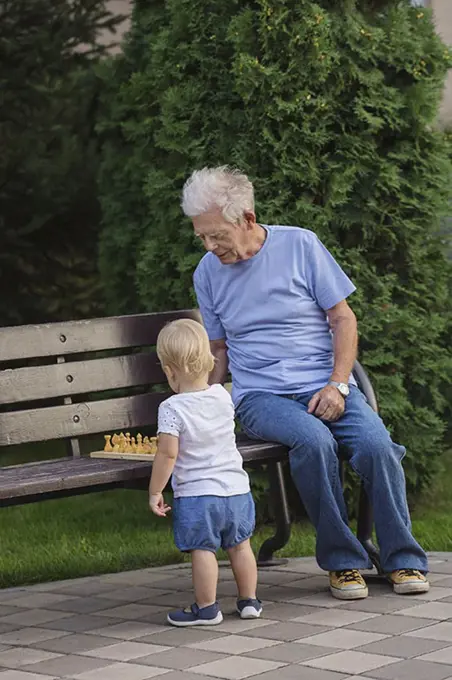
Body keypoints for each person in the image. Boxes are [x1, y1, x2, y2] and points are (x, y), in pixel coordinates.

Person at [183, 165, 430, 601]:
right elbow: (218, 351)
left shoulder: (300, 244)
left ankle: (403, 559)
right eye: (201, 236)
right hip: (261, 395)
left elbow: (343, 318)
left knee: (377, 447)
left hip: (327, 383)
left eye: (216, 234)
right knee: (313, 442)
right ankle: (343, 562)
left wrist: (338, 385)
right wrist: (200, 401)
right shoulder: (207, 273)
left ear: (247, 219)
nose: (208, 245)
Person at [149, 318, 262, 625]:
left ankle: (207, 608)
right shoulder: (222, 396)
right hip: (236, 490)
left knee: (203, 549)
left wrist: (156, 490)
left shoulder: (171, 408)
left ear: (170, 372)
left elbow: (168, 453)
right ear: (209, 361)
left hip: (199, 496)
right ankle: (249, 601)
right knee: (240, 546)